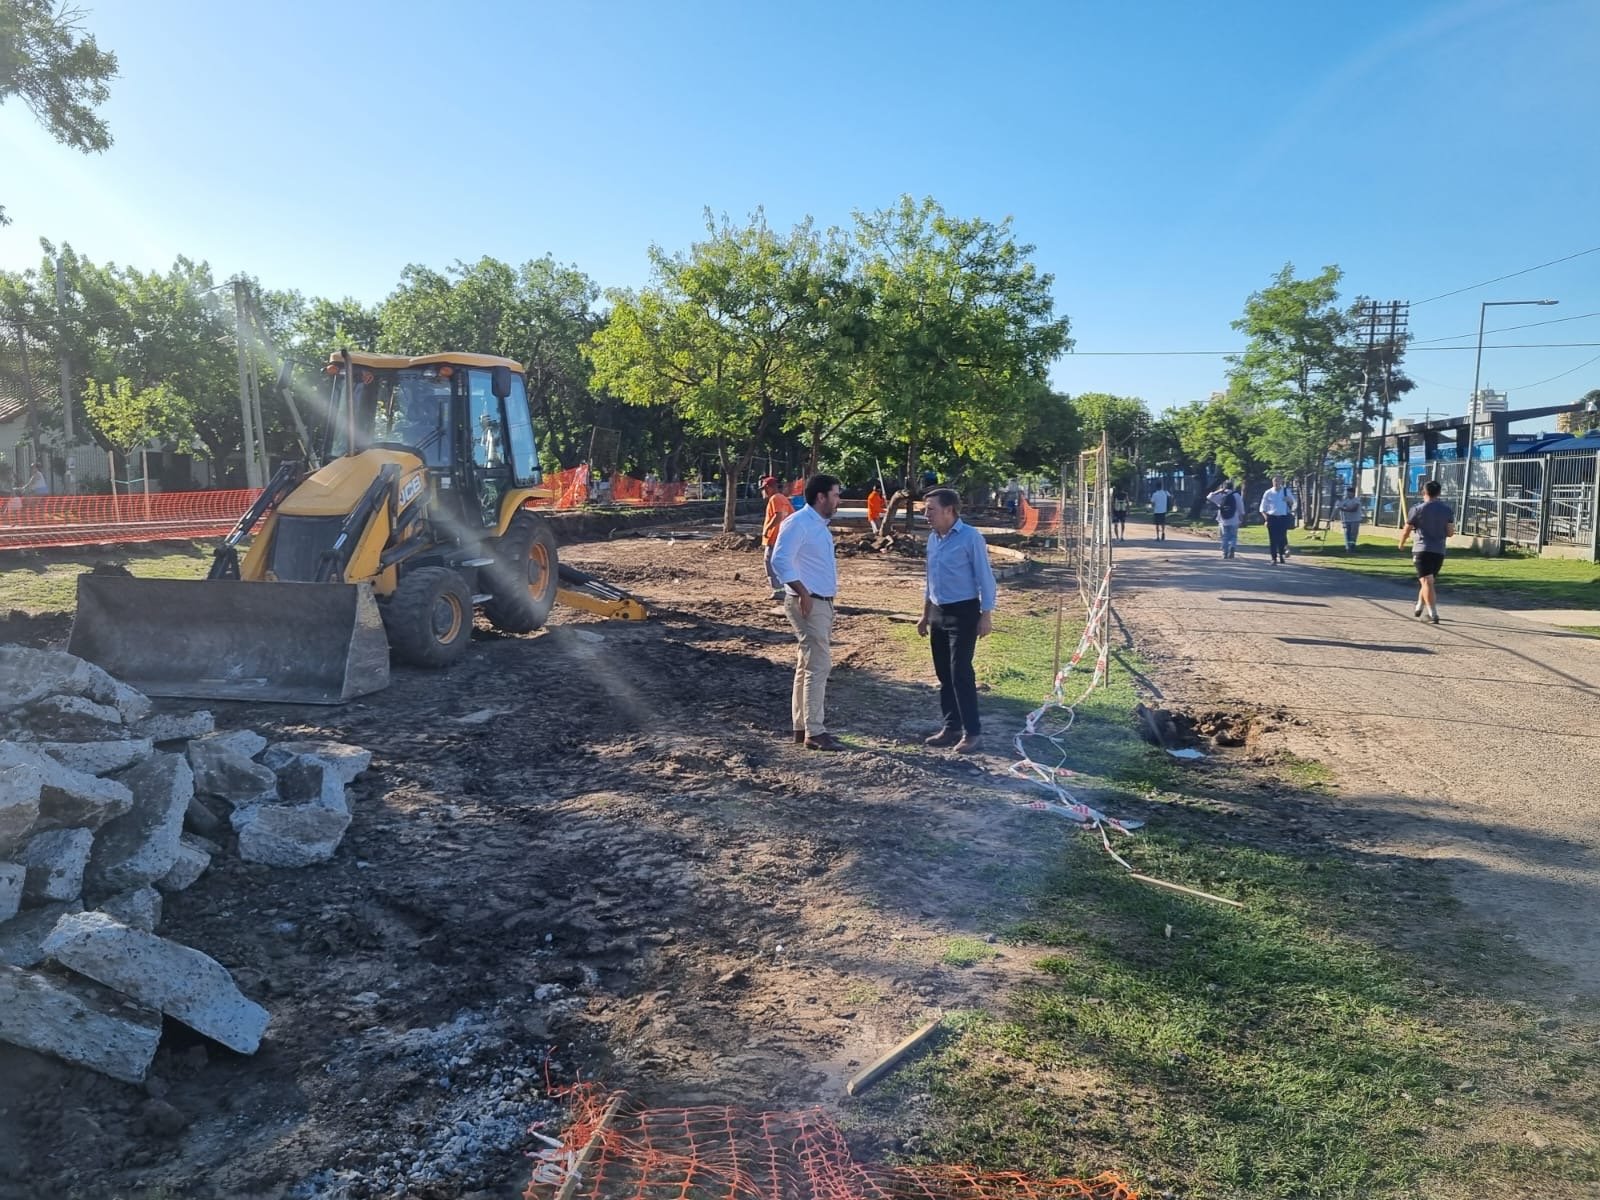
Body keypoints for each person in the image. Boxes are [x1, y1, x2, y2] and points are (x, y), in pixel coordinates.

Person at [918, 488, 998, 755]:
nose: (925, 514)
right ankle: (951, 726)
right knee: (943, 673)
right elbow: (930, 579)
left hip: (964, 612)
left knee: (960, 672)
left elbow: (985, 577)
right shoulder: (933, 538)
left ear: (949, 510)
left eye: (931, 509)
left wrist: (986, 615)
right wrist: (925, 614)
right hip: (939, 612)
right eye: (925, 509)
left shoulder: (970, 537)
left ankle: (972, 733)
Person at [769, 474, 844, 751]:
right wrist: (802, 592)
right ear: (821, 496)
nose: (839, 500)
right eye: (835, 494)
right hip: (809, 602)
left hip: (819, 601)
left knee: (807, 664)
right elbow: (779, 559)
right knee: (818, 665)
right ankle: (815, 731)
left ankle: (802, 727)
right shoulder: (799, 523)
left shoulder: (818, 525)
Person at [1399, 478, 1455, 624]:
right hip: (1439, 551)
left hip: (1421, 549)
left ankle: (1432, 613)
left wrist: (1402, 543)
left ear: (1423, 492)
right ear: (1439, 492)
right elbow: (1450, 533)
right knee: (1427, 581)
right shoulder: (1447, 510)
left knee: (1426, 581)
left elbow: (1407, 529)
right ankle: (1419, 605)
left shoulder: (1417, 509)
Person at [759, 475, 791, 599]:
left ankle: (779, 591)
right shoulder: (783, 498)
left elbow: (778, 515)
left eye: (764, 488)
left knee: (770, 563)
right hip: (782, 537)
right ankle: (785, 589)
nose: (763, 491)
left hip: (774, 538)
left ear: (769, 487)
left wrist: (767, 528)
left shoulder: (775, 499)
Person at [1259, 474, 1296, 563]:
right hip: (1272, 517)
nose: (1276, 483)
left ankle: (1281, 555)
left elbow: (1294, 504)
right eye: (1275, 481)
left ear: (1281, 481)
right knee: (1273, 539)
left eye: (1278, 481)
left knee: (1282, 537)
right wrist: (1266, 519)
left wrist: (1289, 500)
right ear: (1272, 482)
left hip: (1283, 517)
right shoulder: (1268, 493)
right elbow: (1262, 508)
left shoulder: (1286, 491)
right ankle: (1273, 558)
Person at [1206, 479, 1242, 558]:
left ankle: (1225, 553)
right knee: (1233, 536)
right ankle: (1232, 547)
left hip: (1223, 519)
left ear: (1224, 486)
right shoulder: (1236, 495)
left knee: (1224, 536)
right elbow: (1240, 507)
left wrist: (1218, 491)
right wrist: (1241, 516)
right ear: (1232, 487)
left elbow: (1209, 497)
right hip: (1234, 518)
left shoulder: (1221, 495)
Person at [1334, 486, 1363, 552]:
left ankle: (1352, 547)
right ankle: (1348, 547)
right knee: (1347, 533)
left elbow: (1353, 509)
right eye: (1347, 493)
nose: (1348, 494)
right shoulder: (1345, 500)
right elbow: (1339, 506)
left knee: (1353, 533)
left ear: (1353, 493)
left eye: (1349, 493)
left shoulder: (1356, 500)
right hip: (1347, 520)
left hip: (1355, 520)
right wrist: (1339, 505)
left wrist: (1343, 509)